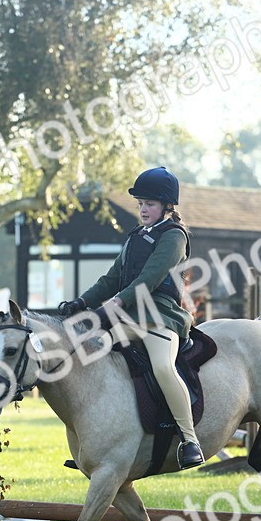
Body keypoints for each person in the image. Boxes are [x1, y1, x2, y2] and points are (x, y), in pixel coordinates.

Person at [57, 166, 205, 469]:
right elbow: (112, 278)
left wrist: (109, 308)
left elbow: (149, 279)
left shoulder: (174, 237)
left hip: (160, 318)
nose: (143, 210)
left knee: (163, 368)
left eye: (149, 204)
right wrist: (82, 301)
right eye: (140, 204)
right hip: (126, 319)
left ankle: (190, 441)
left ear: (166, 206)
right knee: (92, 353)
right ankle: (96, 442)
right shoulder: (136, 236)